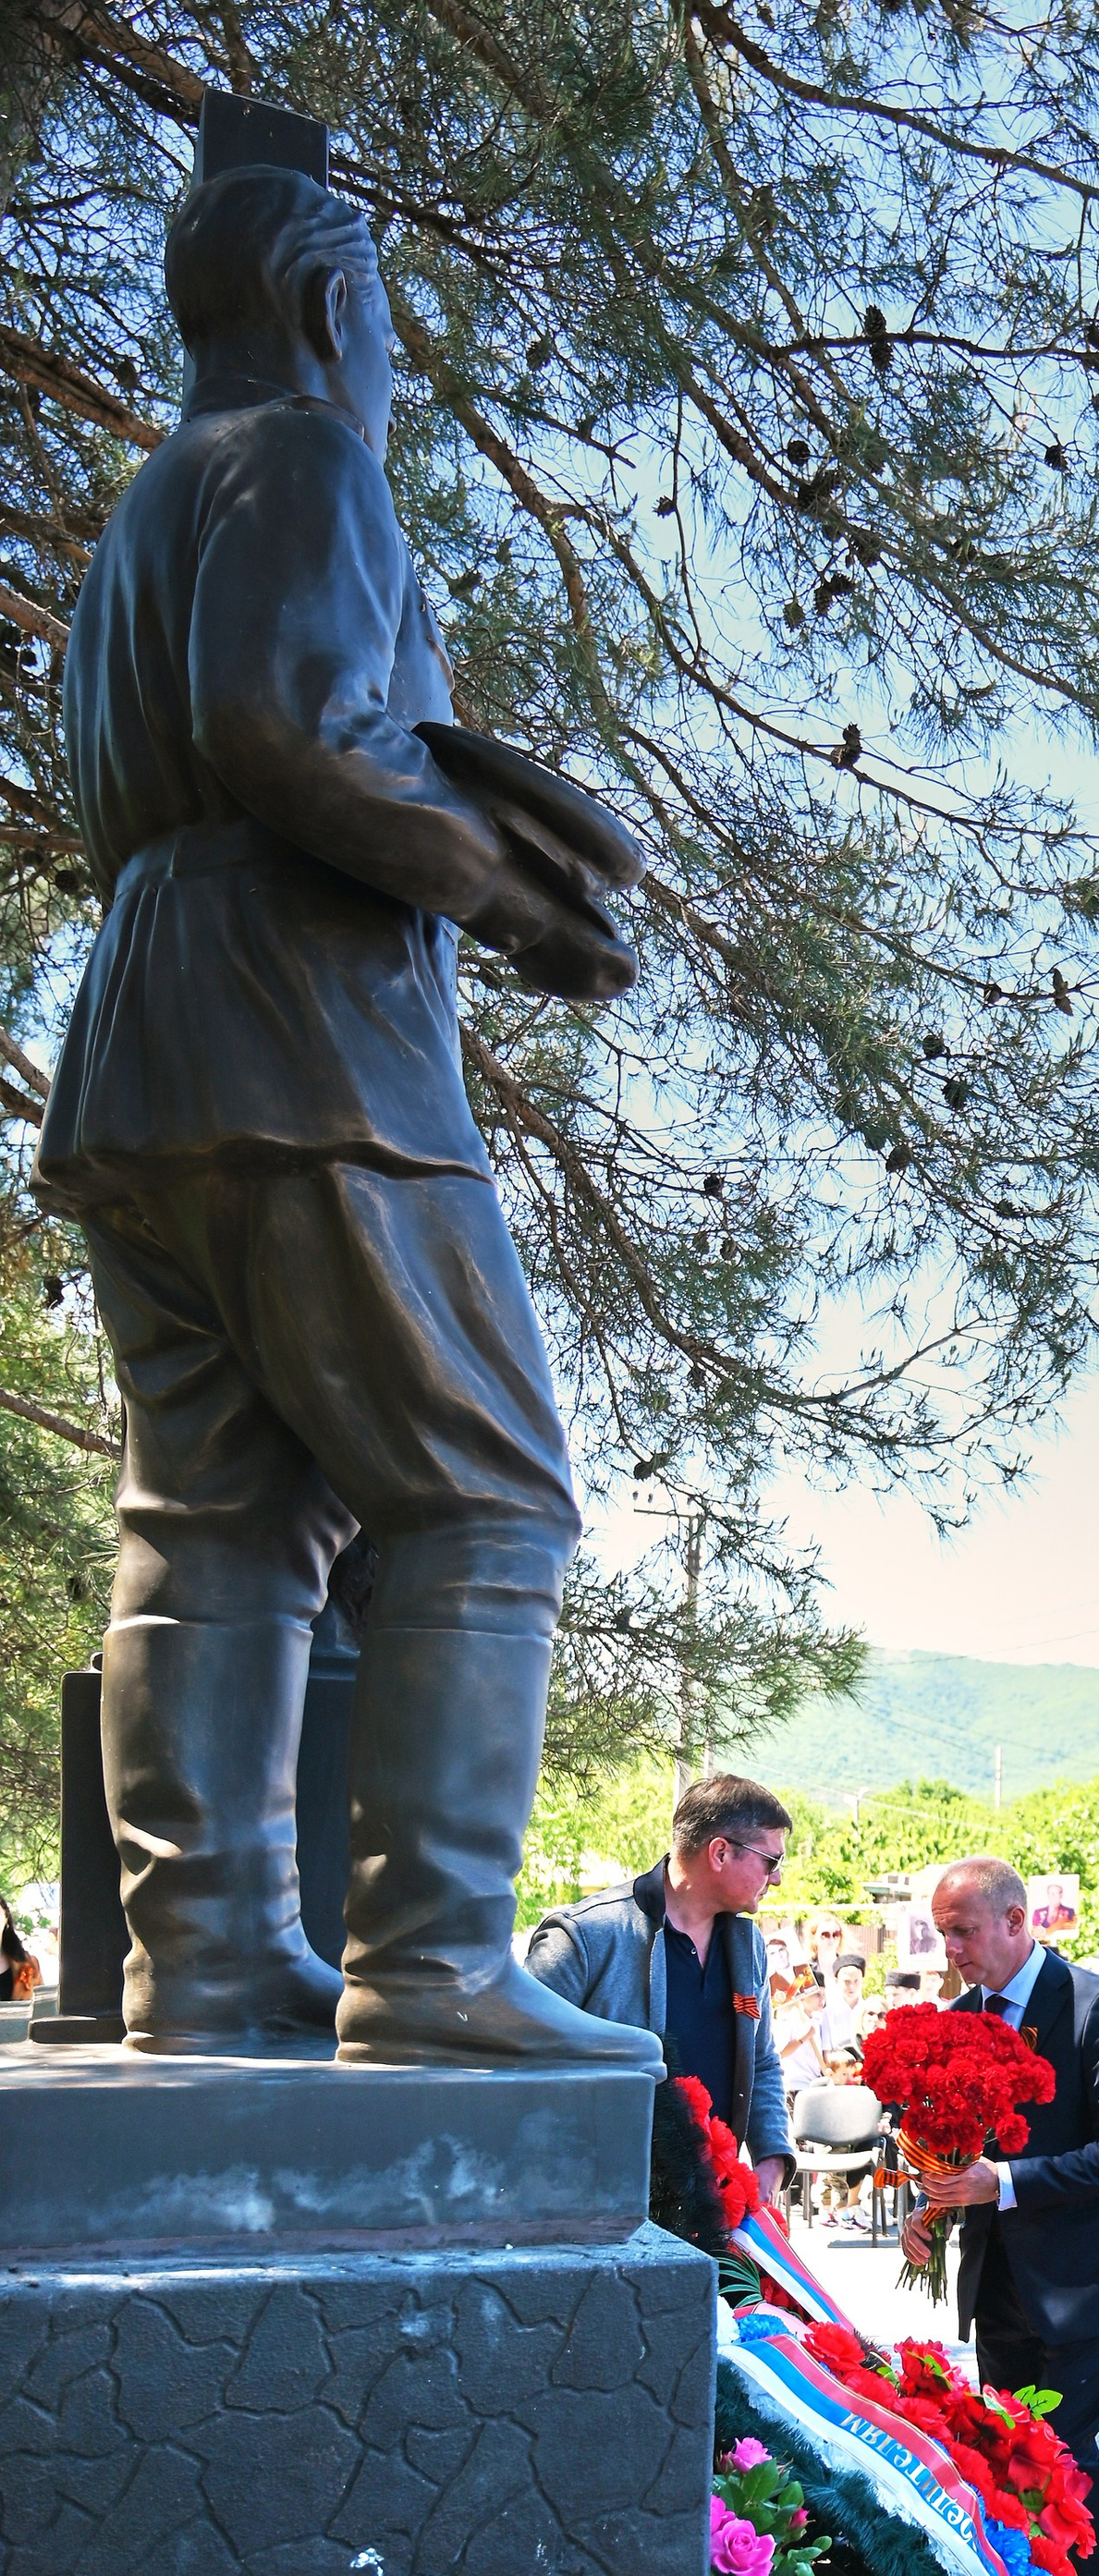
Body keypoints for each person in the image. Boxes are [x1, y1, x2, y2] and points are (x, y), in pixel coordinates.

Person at [35, 140, 654, 2073]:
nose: (387, 351)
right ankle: (432, 1962)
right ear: (324, 308)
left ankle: (202, 1962)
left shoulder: (136, 513)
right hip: (305, 1037)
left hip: (137, 1041)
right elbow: (290, 730)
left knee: (210, 1517)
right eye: (380, 311)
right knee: (485, 1490)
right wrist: (499, 878)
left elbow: (141, 778)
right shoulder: (303, 459)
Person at [902, 1855, 1099, 2576]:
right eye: (944, 1934)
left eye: (964, 1932)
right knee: (1009, 2456)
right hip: (1000, 2281)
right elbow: (967, 2150)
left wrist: (1004, 2181)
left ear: (1017, 1921)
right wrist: (936, 2205)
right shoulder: (965, 2013)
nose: (952, 1951)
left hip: (1084, 2283)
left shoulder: (1096, 2005)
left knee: (1064, 2461)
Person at [527, 1774, 792, 2199]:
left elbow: (761, 2062)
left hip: (714, 2208)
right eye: (771, 1861)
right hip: (603, 2208)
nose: (776, 1879)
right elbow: (525, 2068)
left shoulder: (749, 1945)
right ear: (720, 1852)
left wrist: (773, 2158)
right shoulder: (586, 1936)